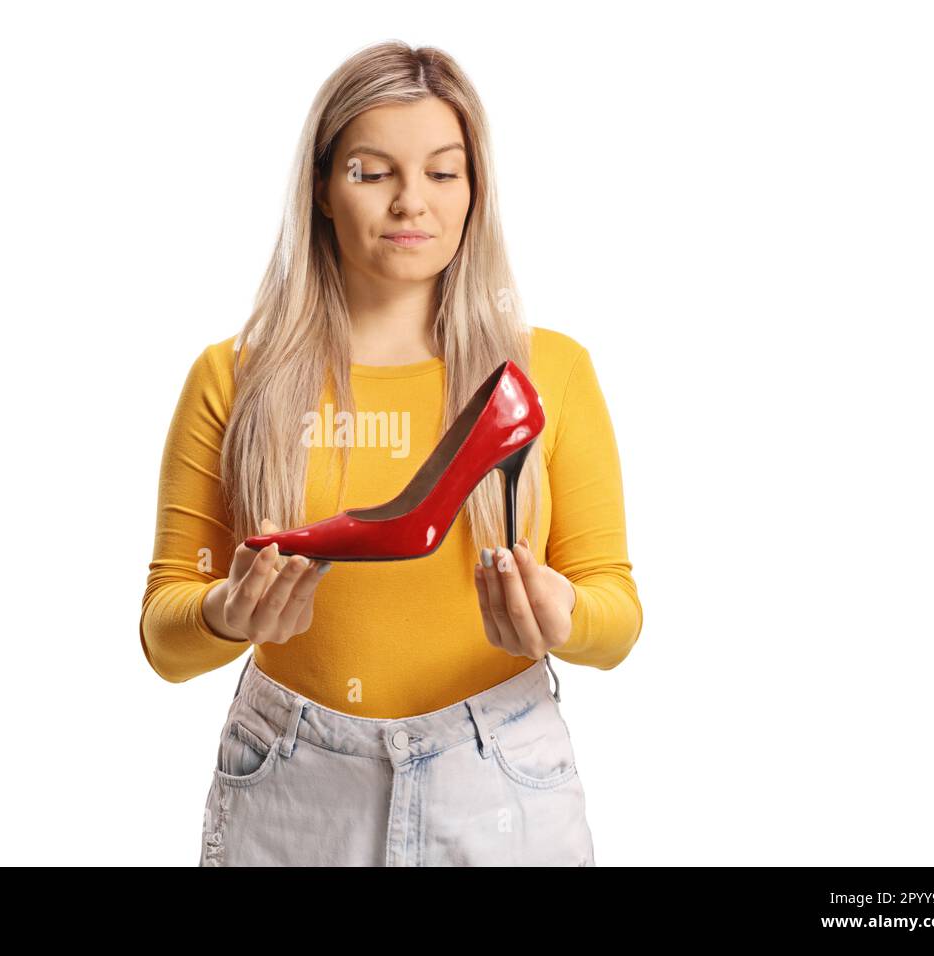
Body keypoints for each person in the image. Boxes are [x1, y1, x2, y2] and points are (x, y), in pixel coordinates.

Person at [139, 40, 643, 866]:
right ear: (323, 192)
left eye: (443, 173)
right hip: (292, 782)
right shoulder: (234, 379)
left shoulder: (550, 371)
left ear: (474, 192)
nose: (413, 202)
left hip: (502, 775)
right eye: (373, 172)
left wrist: (565, 618)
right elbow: (165, 634)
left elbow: (615, 618)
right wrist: (224, 617)